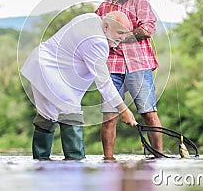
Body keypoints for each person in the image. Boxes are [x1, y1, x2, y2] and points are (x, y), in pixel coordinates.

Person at [20, 11, 137, 160]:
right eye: (120, 32)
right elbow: (104, 83)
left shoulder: (90, 18)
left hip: (38, 64)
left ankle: (41, 164)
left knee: (47, 117)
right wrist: (124, 110)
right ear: (106, 27)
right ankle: (75, 163)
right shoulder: (97, 42)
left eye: (126, 33)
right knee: (71, 113)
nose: (123, 37)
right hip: (49, 71)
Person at [96, 0, 163, 160]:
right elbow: (97, 36)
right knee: (109, 116)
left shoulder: (140, 0)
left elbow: (148, 29)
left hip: (138, 65)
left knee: (148, 113)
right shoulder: (103, 7)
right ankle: (108, 160)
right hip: (112, 66)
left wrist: (120, 36)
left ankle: (158, 156)